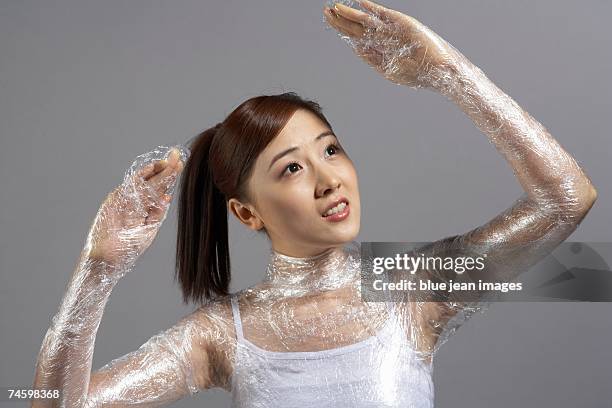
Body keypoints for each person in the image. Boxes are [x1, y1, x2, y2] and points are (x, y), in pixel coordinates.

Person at [31, 1, 598, 407]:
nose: (329, 179)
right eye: (293, 169)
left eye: (332, 150)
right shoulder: (222, 334)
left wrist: (451, 75)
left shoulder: (414, 288)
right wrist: (97, 272)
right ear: (247, 214)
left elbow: (567, 199)